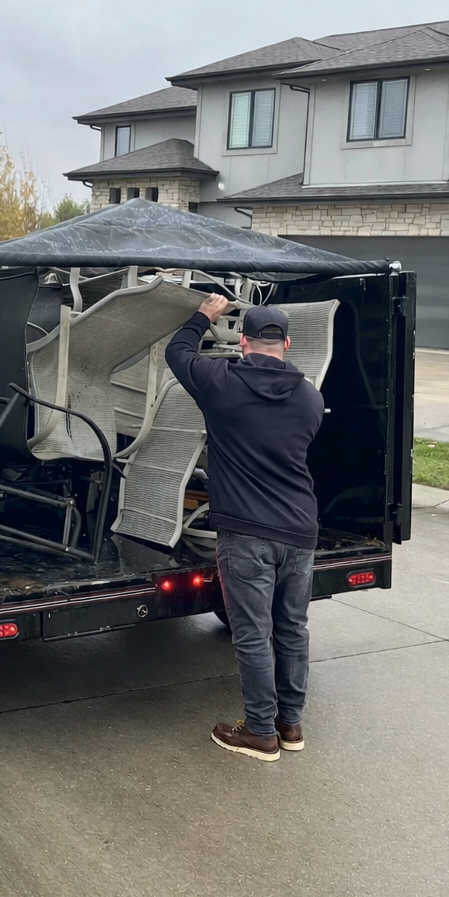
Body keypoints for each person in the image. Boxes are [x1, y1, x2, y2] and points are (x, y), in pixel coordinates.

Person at [165, 295, 324, 763]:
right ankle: (289, 725)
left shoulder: (221, 382)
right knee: (292, 629)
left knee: (253, 634)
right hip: (300, 530)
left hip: (247, 534)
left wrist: (203, 315)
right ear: (287, 344)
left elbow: (179, 353)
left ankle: (259, 732)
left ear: (243, 341)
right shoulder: (310, 397)